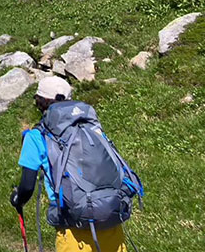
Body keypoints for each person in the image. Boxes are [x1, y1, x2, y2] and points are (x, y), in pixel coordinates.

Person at [10, 76, 142, 252]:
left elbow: (27, 186)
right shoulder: (91, 128)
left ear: (40, 102)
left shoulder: (36, 136)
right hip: (111, 222)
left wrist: (17, 199)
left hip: (73, 229)